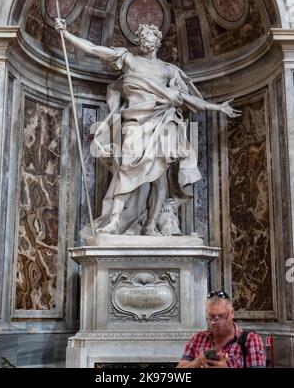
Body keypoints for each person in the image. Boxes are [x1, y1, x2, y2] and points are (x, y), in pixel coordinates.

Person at [55, 20, 241, 237]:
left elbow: (185, 98)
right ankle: (114, 221)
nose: (144, 40)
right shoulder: (129, 60)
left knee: (159, 178)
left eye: (149, 36)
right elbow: (97, 50)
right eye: (141, 37)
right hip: (135, 123)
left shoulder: (167, 70)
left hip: (162, 123)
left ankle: (151, 224)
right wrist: (67, 35)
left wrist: (218, 107)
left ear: (158, 41)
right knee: (126, 168)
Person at [176, 290, 267, 368]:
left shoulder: (250, 340)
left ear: (232, 313)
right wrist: (196, 363)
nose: (217, 322)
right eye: (212, 317)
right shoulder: (197, 339)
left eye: (222, 316)